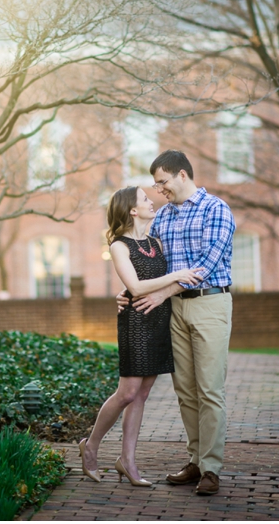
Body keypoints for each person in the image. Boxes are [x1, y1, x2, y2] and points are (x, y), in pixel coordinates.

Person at [120, 149, 235, 496]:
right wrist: (127, 293)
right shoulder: (164, 217)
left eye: (162, 182)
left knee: (210, 389)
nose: (159, 190)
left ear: (182, 175)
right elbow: (149, 263)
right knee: (185, 390)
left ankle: (212, 468)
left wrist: (161, 293)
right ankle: (196, 461)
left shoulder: (217, 210)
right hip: (174, 310)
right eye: (156, 185)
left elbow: (206, 265)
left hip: (210, 303)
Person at [79, 186, 204, 486]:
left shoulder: (155, 241)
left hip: (161, 319)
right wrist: (175, 275)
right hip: (136, 322)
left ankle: (128, 461)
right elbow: (135, 287)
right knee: (127, 393)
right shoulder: (119, 246)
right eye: (145, 199)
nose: (152, 201)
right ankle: (91, 446)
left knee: (143, 394)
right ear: (133, 210)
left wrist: (165, 280)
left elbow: (144, 283)